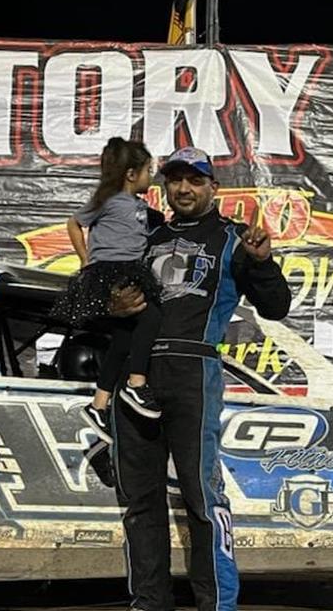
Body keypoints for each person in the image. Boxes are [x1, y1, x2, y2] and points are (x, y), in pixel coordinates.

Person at [109, 146, 292, 611]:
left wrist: (263, 264)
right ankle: (149, 602)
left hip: (194, 369)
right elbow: (105, 302)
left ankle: (217, 605)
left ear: (215, 188)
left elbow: (276, 307)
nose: (184, 188)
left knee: (201, 495)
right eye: (175, 180)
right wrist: (112, 306)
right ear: (164, 185)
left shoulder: (234, 238)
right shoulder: (143, 235)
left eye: (195, 180)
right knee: (139, 500)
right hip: (136, 374)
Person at [51, 137, 165, 444]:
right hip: (112, 271)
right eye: (147, 170)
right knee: (151, 316)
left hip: (130, 269)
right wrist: (86, 260)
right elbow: (74, 223)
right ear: (131, 174)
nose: (150, 176)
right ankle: (136, 383)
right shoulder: (108, 199)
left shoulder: (139, 206)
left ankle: (98, 404)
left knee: (124, 338)